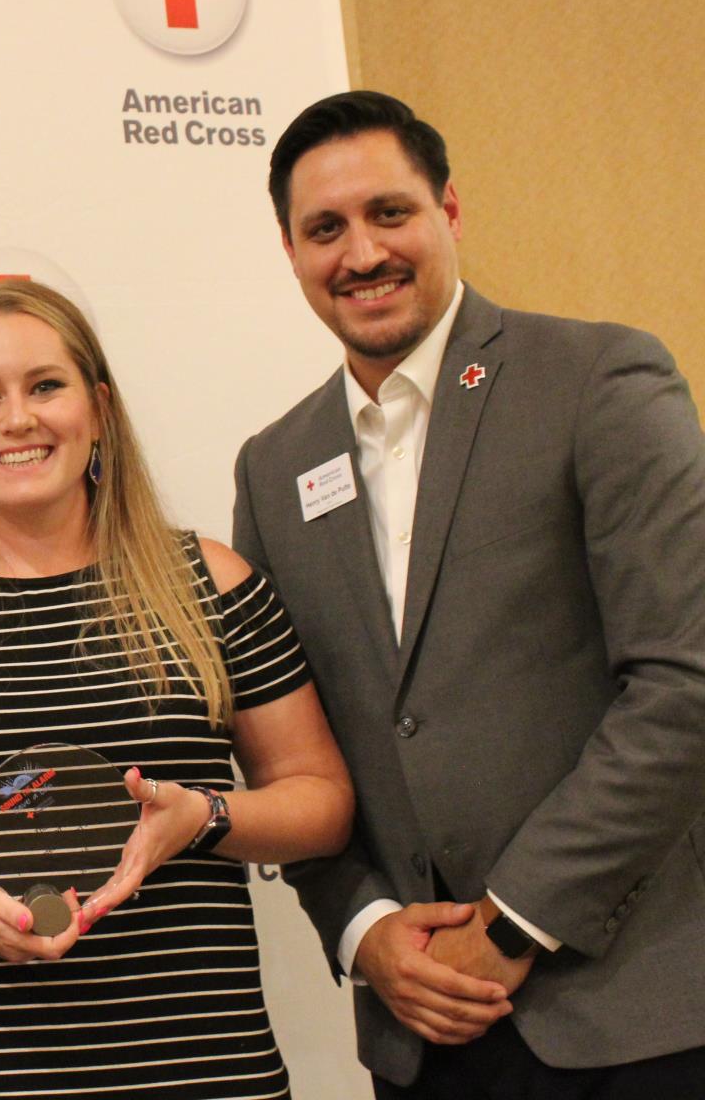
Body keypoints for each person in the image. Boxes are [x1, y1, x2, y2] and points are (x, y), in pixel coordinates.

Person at [234, 89, 705, 1097]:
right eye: (325, 228)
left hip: (630, 1018)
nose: (361, 253)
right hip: (420, 1033)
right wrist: (365, 932)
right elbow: (290, 750)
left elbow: (683, 683)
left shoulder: (600, 380)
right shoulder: (274, 468)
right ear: (290, 250)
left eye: (389, 212)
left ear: (449, 209)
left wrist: (516, 919)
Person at [0, 279, 353, 1098]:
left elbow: (321, 802)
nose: (18, 419)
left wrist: (205, 817)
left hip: (196, 1066)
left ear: (97, 408)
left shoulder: (210, 582)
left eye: (46, 386)